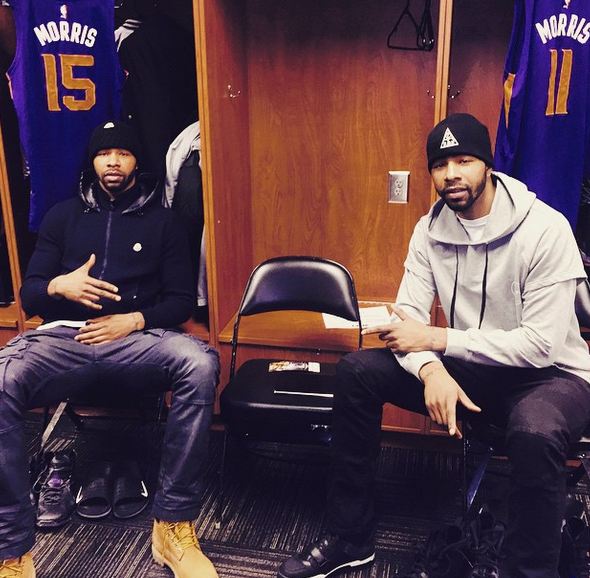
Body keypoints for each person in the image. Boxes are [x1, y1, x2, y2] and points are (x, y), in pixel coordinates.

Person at [277, 113, 590, 578]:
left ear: (488, 165)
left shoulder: (546, 228)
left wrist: (439, 340)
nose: (451, 174)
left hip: (551, 377)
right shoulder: (429, 229)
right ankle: (350, 537)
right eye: (440, 165)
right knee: (357, 372)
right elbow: (408, 319)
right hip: (470, 366)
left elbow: (540, 345)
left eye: (464, 161)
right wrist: (432, 370)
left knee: (534, 430)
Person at [0, 120, 220, 578]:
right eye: (104, 154)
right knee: (1, 378)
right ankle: (13, 550)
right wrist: (59, 285)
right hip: (65, 337)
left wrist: (134, 319)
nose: (113, 161)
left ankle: (172, 525)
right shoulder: (61, 217)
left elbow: (180, 301)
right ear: (93, 162)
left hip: (136, 340)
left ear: (137, 162)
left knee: (199, 363)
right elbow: (30, 294)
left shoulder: (165, 223)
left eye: (123, 153)